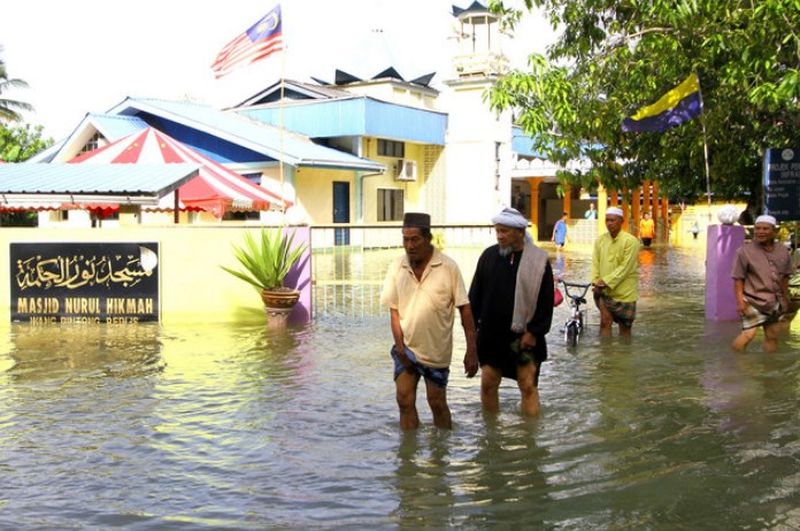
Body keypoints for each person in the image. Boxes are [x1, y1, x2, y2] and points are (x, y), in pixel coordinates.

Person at [380, 212, 478, 430]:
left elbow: (465, 310)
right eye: (405, 239)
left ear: (427, 238)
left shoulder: (448, 267)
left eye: (415, 239)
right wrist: (400, 347)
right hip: (406, 348)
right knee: (404, 401)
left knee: (437, 403)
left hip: (437, 352)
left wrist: (472, 350)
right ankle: (408, 458)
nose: (410, 245)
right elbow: (393, 311)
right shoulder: (397, 267)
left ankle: (441, 452)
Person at [469, 207, 554, 417]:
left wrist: (533, 332)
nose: (500, 236)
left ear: (519, 232)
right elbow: (475, 297)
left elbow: (545, 301)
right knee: (488, 383)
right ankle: (490, 435)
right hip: (491, 336)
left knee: (527, 386)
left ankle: (529, 438)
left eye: (505, 231)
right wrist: (473, 335)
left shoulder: (538, 261)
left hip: (525, 337)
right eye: (497, 231)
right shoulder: (488, 256)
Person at [731, 215, 793, 353]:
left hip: (774, 301)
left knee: (772, 335)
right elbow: (738, 279)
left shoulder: (783, 251)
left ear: (774, 231)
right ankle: (735, 364)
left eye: (765, 229)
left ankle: (769, 368)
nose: (760, 232)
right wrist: (740, 301)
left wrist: (784, 298)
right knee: (748, 334)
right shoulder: (744, 252)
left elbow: (785, 277)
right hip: (752, 300)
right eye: (757, 228)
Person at [591, 206, 639, 336]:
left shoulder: (631, 242)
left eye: (613, 220)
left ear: (621, 221)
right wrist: (595, 282)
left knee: (625, 329)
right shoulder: (600, 241)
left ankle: (623, 355)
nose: (609, 223)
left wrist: (605, 281)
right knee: (605, 322)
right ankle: (605, 354)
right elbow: (595, 263)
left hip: (625, 293)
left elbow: (625, 267)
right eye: (607, 220)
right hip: (604, 291)